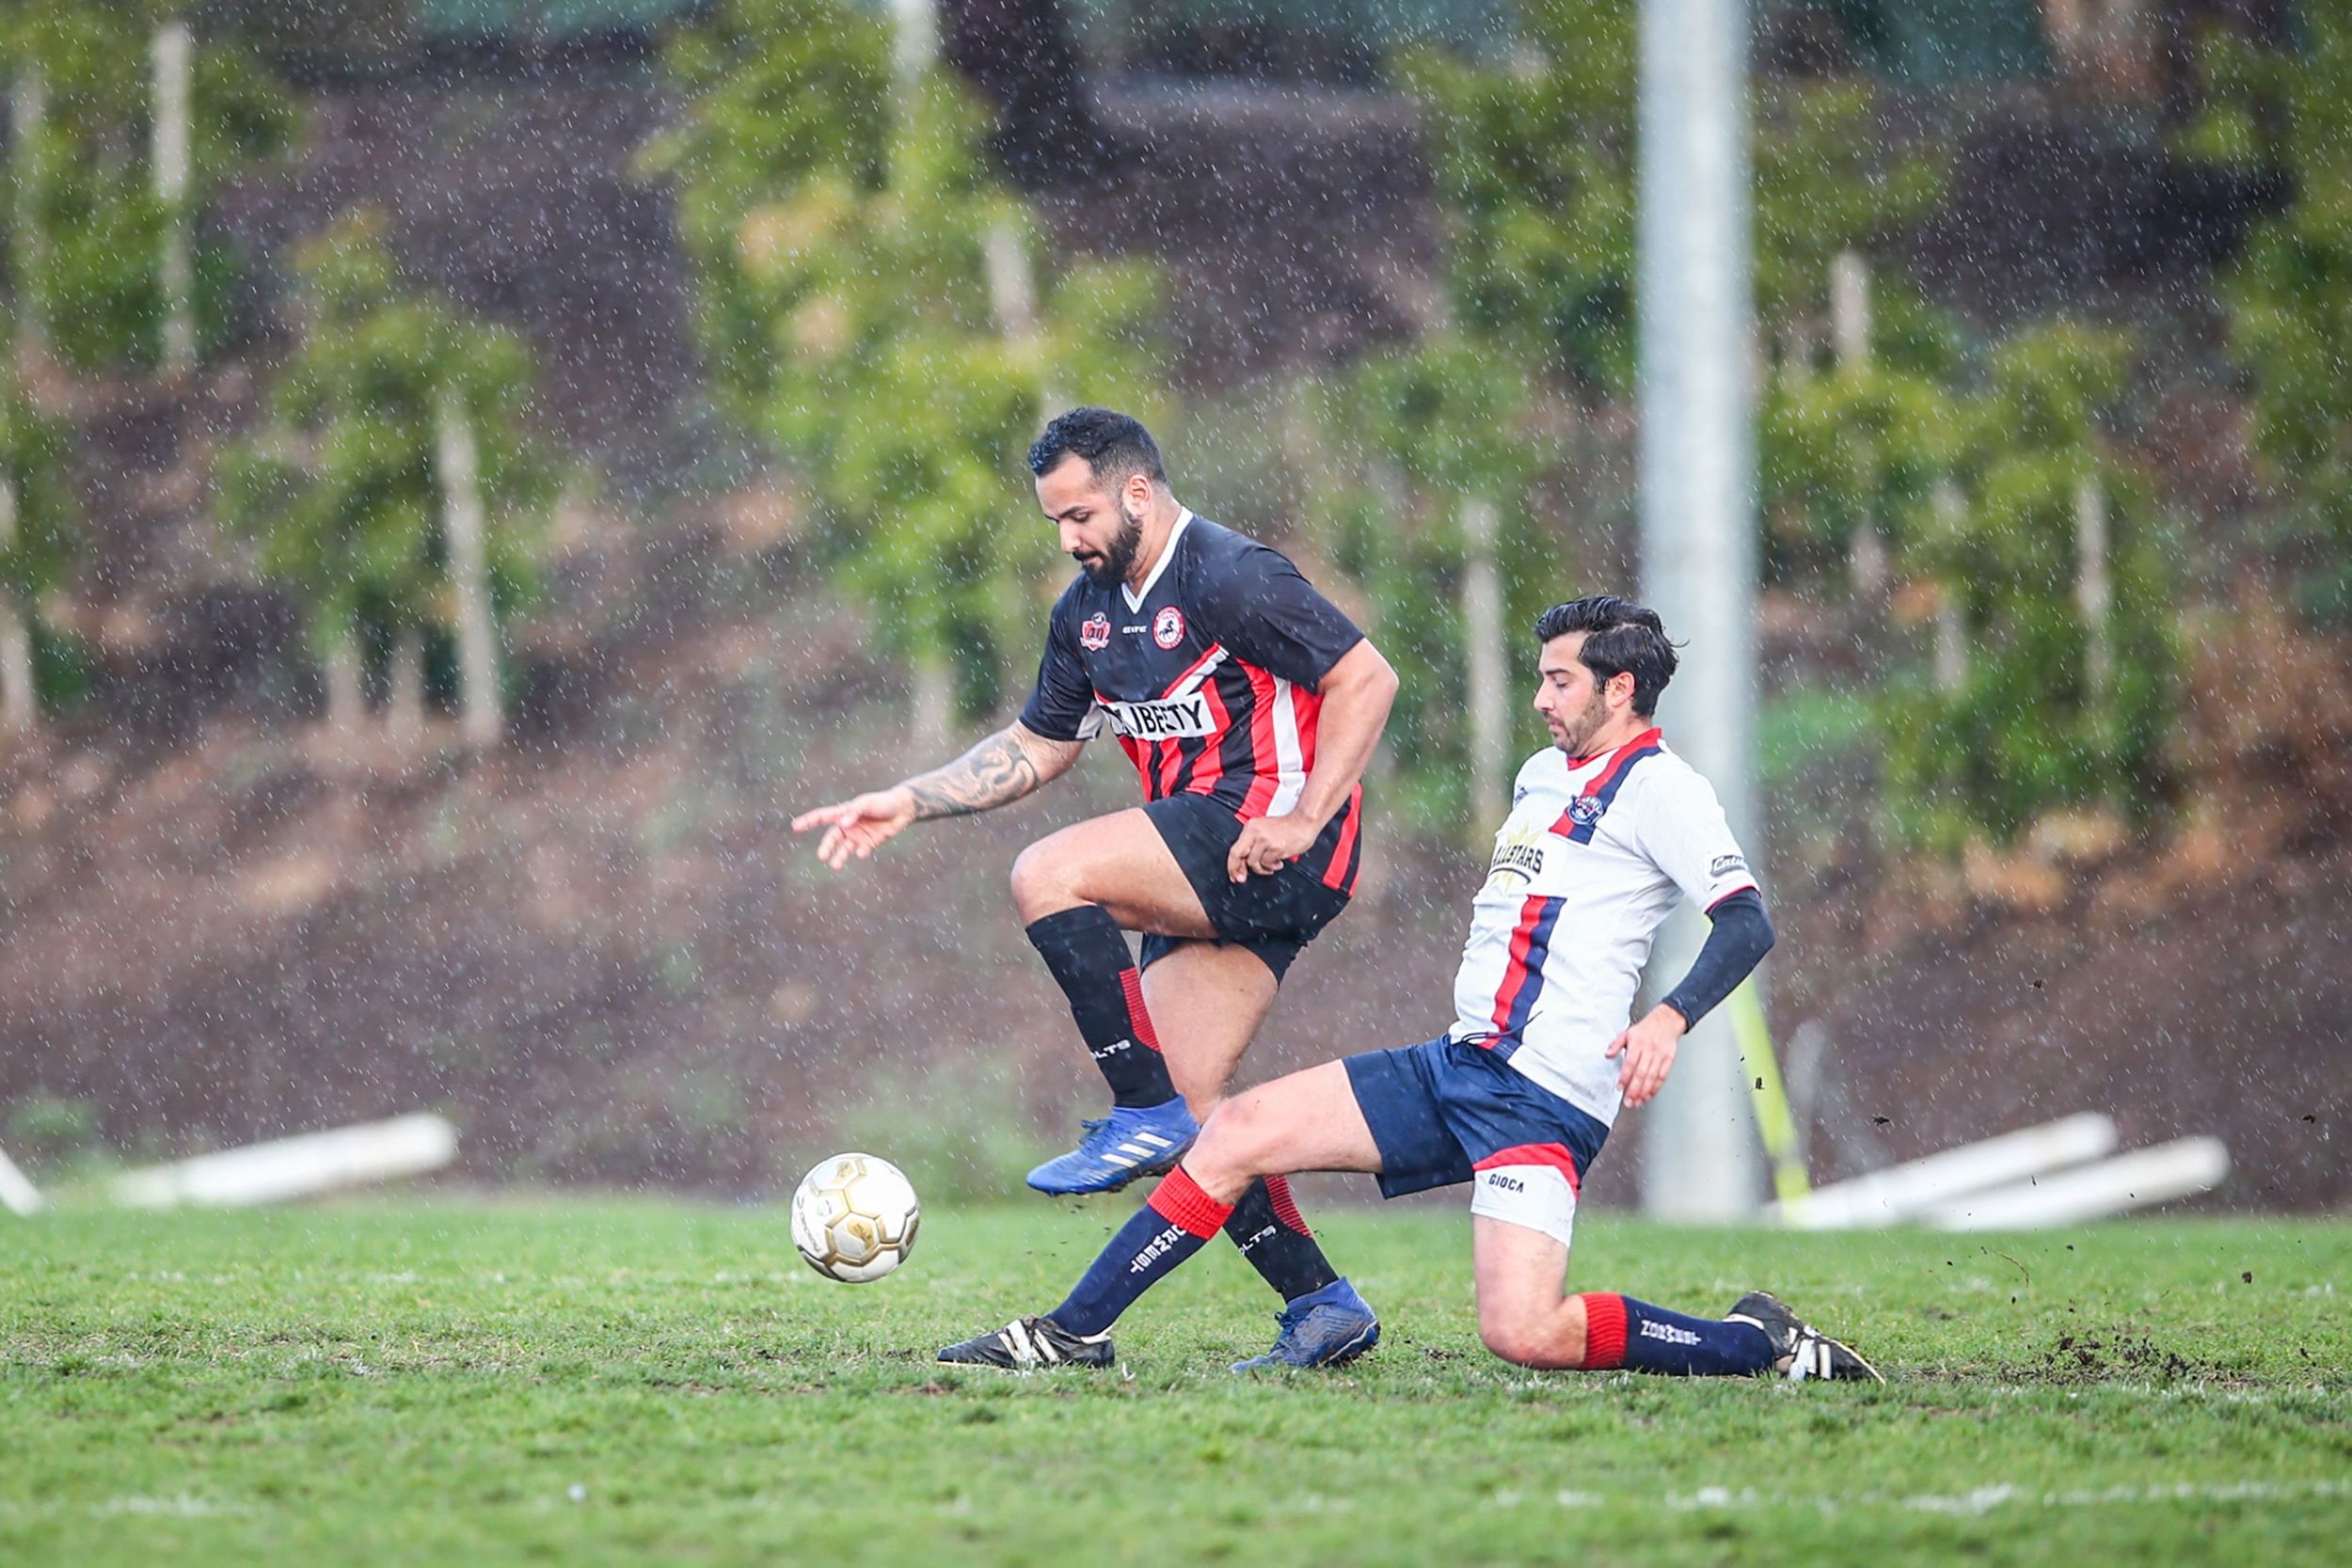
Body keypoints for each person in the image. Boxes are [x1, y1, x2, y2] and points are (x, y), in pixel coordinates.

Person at [938, 595, 1882, 1383]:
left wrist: (1668, 1018)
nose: (1541, 697)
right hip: (1457, 1064)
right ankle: (1070, 1333)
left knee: (1524, 1331)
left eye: (1560, 680)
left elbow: (1746, 921)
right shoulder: (1542, 774)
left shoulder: (1663, 788)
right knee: (1231, 1131)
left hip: (1541, 1099)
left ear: (1620, 687)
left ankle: (1755, 1342)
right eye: (1541, 677)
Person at [793, 407, 1400, 1369]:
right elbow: (1040, 745)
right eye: (1055, 521)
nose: (1069, 537)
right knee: (1202, 1117)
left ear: (1137, 492)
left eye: (1080, 515)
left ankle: (1138, 1107)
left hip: (1273, 838)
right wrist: (909, 799)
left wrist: (1303, 817)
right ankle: (1317, 1302)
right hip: (1213, 859)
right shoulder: (1086, 613)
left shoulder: (1230, 574)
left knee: (1048, 872)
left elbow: (1367, 679)